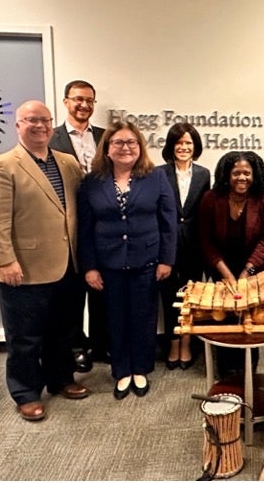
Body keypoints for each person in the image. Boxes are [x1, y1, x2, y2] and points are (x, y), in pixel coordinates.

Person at [0, 100, 91, 422]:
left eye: (45, 120)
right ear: (18, 126)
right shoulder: (1, 165)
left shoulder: (67, 163)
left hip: (68, 264)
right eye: (31, 120)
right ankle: (26, 392)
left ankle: (61, 379)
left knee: (63, 330)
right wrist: (4, 260)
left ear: (52, 125)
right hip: (23, 268)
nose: (39, 126)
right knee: (25, 337)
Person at [77, 122, 177, 400]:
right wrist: (90, 267)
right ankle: (121, 371)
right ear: (107, 149)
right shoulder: (92, 182)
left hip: (146, 260)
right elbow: (84, 228)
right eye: (118, 143)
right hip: (107, 264)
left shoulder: (155, 178)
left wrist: (166, 260)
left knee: (144, 318)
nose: (125, 147)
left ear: (140, 147)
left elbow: (168, 222)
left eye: (132, 142)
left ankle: (141, 369)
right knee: (115, 319)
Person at [198, 151, 264, 379]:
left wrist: (246, 272)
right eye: (236, 173)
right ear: (227, 175)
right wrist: (227, 274)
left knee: (249, 314)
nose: (242, 177)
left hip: (252, 266)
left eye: (247, 173)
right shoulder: (212, 198)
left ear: (255, 174)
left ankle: (249, 367)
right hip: (220, 264)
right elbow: (205, 240)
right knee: (225, 315)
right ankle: (226, 370)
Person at [48, 79, 107, 373]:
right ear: (66, 102)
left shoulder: (105, 137)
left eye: (89, 100)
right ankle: (76, 346)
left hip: (102, 223)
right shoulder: (51, 138)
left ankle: (99, 343)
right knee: (71, 291)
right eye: (78, 99)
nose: (84, 105)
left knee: (101, 287)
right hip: (67, 224)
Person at [158, 123, 211, 370]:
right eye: (179, 143)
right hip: (166, 244)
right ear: (171, 146)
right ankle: (173, 342)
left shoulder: (203, 174)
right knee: (169, 297)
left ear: (195, 147)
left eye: (188, 143)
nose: (183, 147)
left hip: (194, 245)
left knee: (190, 297)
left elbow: (204, 210)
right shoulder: (159, 173)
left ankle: (187, 342)